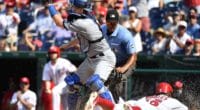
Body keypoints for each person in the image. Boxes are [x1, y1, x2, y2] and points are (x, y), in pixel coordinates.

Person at [48, 0, 116, 107]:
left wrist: (50, 5)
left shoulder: (83, 22)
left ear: (81, 8)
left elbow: (59, 22)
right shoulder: (86, 18)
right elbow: (81, 36)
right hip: (91, 59)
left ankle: (113, 107)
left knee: (95, 83)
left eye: (74, 6)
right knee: (72, 82)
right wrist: (66, 46)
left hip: (104, 59)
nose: (72, 8)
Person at [101, 9, 137, 102]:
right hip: (110, 61)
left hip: (126, 61)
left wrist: (124, 68)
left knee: (116, 79)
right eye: (110, 22)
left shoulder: (125, 34)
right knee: (99, 81)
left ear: (117, 22)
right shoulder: (102, 29)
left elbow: (133, 55)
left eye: (114, 23)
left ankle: (117, 104)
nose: (112, 25)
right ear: (106, 21)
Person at [42, 46, 77, 110]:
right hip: (58, 85)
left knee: (55, 91)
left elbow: (74, 70)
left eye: (53, 52)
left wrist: (74, 83)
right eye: (50, 53)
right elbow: (47, 79)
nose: (52, 54)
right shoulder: (47, 66)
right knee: (65, 106)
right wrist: (47, 88)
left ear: (58, 53)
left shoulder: (64, 62)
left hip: (66, 83)